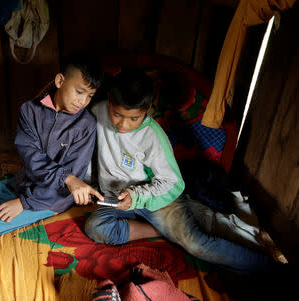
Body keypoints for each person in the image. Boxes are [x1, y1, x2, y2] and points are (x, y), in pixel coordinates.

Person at [84, 69, 274, 274]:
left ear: (146, 109)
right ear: (110, 101)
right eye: (117, 114)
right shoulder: (97, 112)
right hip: (116, 197)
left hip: (156, 198)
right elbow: (85, 149)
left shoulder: (153, 136)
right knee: (95, 228)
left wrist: (136, 196)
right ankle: (162, 231)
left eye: (134, 118)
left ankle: (269, 268)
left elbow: (173, 183)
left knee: (196, 244)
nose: (123, 124)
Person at [0, 51, 104, 301]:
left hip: (52, 198)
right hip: (22, 183)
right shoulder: (29, 111)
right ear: (59, 81)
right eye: (79, 91)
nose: (83, 101)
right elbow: (32, 158)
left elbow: (71, 182)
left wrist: (25, 203)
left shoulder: (86, 125)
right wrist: (24, 197)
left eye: (90, 96)